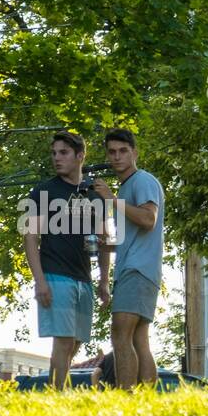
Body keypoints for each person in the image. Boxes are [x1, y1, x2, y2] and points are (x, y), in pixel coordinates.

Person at [20, 131, 107, 390]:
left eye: (64, 153)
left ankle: (55, 391)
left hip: (84, 278)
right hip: (55, 275)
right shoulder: (43, 191)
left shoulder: (94, 194)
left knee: (75, 342)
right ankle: (58, 396)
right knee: (64, 341)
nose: (57, 158)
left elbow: (104, 239)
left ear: (80, 156)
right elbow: (30, 237)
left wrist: (104, 280)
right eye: (54, 153)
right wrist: (40, 281)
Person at [92, 128, 163, 389]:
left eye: (123, 151)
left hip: (138, 270)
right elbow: (134, 236)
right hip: (137, 270)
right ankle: (145, 400)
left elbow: (148, 219)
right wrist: (108, 246)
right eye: (112, 152)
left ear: (135, 152)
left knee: (120, 335)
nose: (117, 156)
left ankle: (126, 395)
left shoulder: (142, 180)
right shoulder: (125, 190)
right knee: (138, 339)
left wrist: (111, 200)